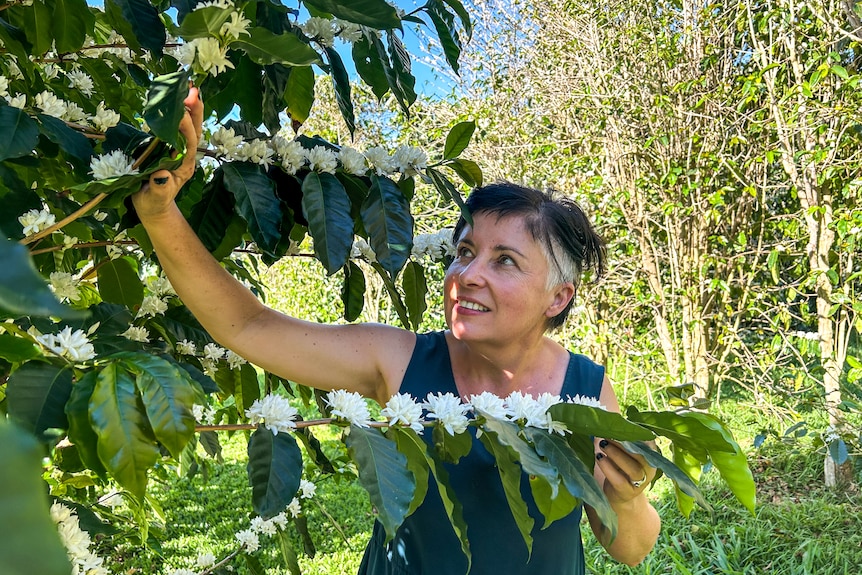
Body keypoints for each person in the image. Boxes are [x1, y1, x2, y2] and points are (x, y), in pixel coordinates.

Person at [133, 89, 660, 574]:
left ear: (558, 296)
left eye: (505, 261)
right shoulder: (399, 361)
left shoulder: (585, 392)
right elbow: (249, 326)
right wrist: (161, 215)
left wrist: (628, 497)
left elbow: (630, 548)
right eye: (465, 252)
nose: (468, 274)